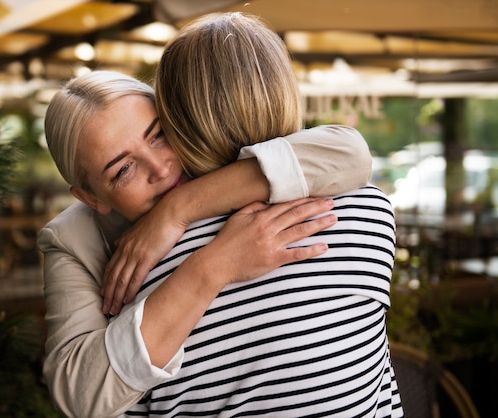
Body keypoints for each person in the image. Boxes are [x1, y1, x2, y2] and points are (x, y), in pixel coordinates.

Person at [38, 34, 373, 418]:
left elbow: (349, 154)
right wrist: (212, 267)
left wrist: (177, 210)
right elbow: (79, 396)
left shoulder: (211, 164)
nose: (161, 169)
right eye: (123, 169)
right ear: (90, 198)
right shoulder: (73, 239)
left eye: (160, 135)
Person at [109, 12, 403, 417]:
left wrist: (178, 209)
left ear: (175, 124)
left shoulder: (138, 264)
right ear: (285, 91)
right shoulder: (370, 211)